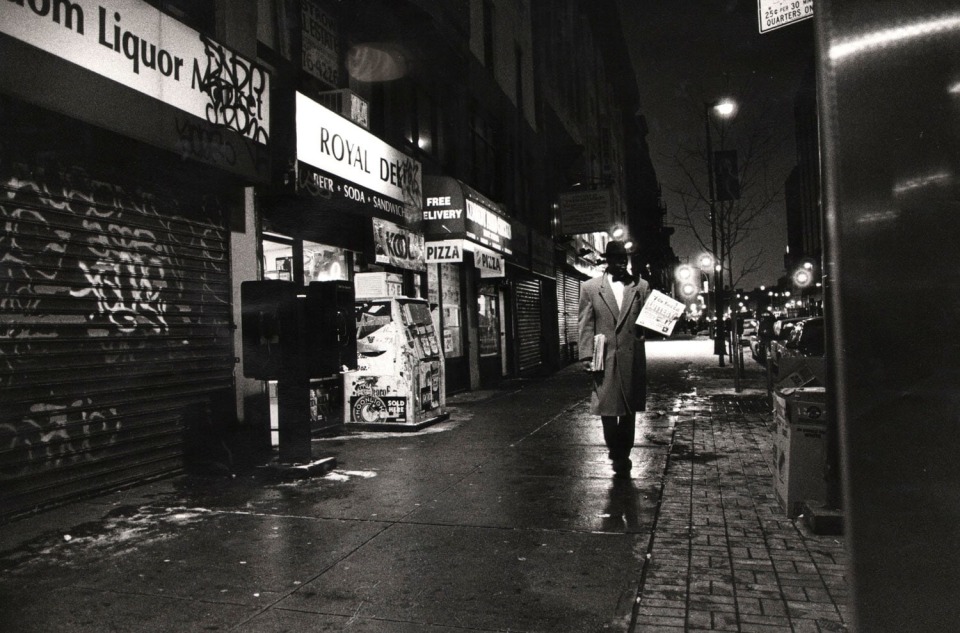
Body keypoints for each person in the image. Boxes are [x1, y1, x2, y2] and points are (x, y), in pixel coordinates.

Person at [578, 240, 651, 478]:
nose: (621, 262)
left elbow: (649, 322)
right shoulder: (590, 287)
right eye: (616, 258)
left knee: (629, 411)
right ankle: (614, 449)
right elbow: (586, 324)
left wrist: (653, 326)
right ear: (607, 260)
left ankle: (624, 454)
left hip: (631, 357)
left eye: (624, 258)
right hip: (604, 357)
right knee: (607, 409)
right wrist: (586, 355)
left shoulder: (641, 286)